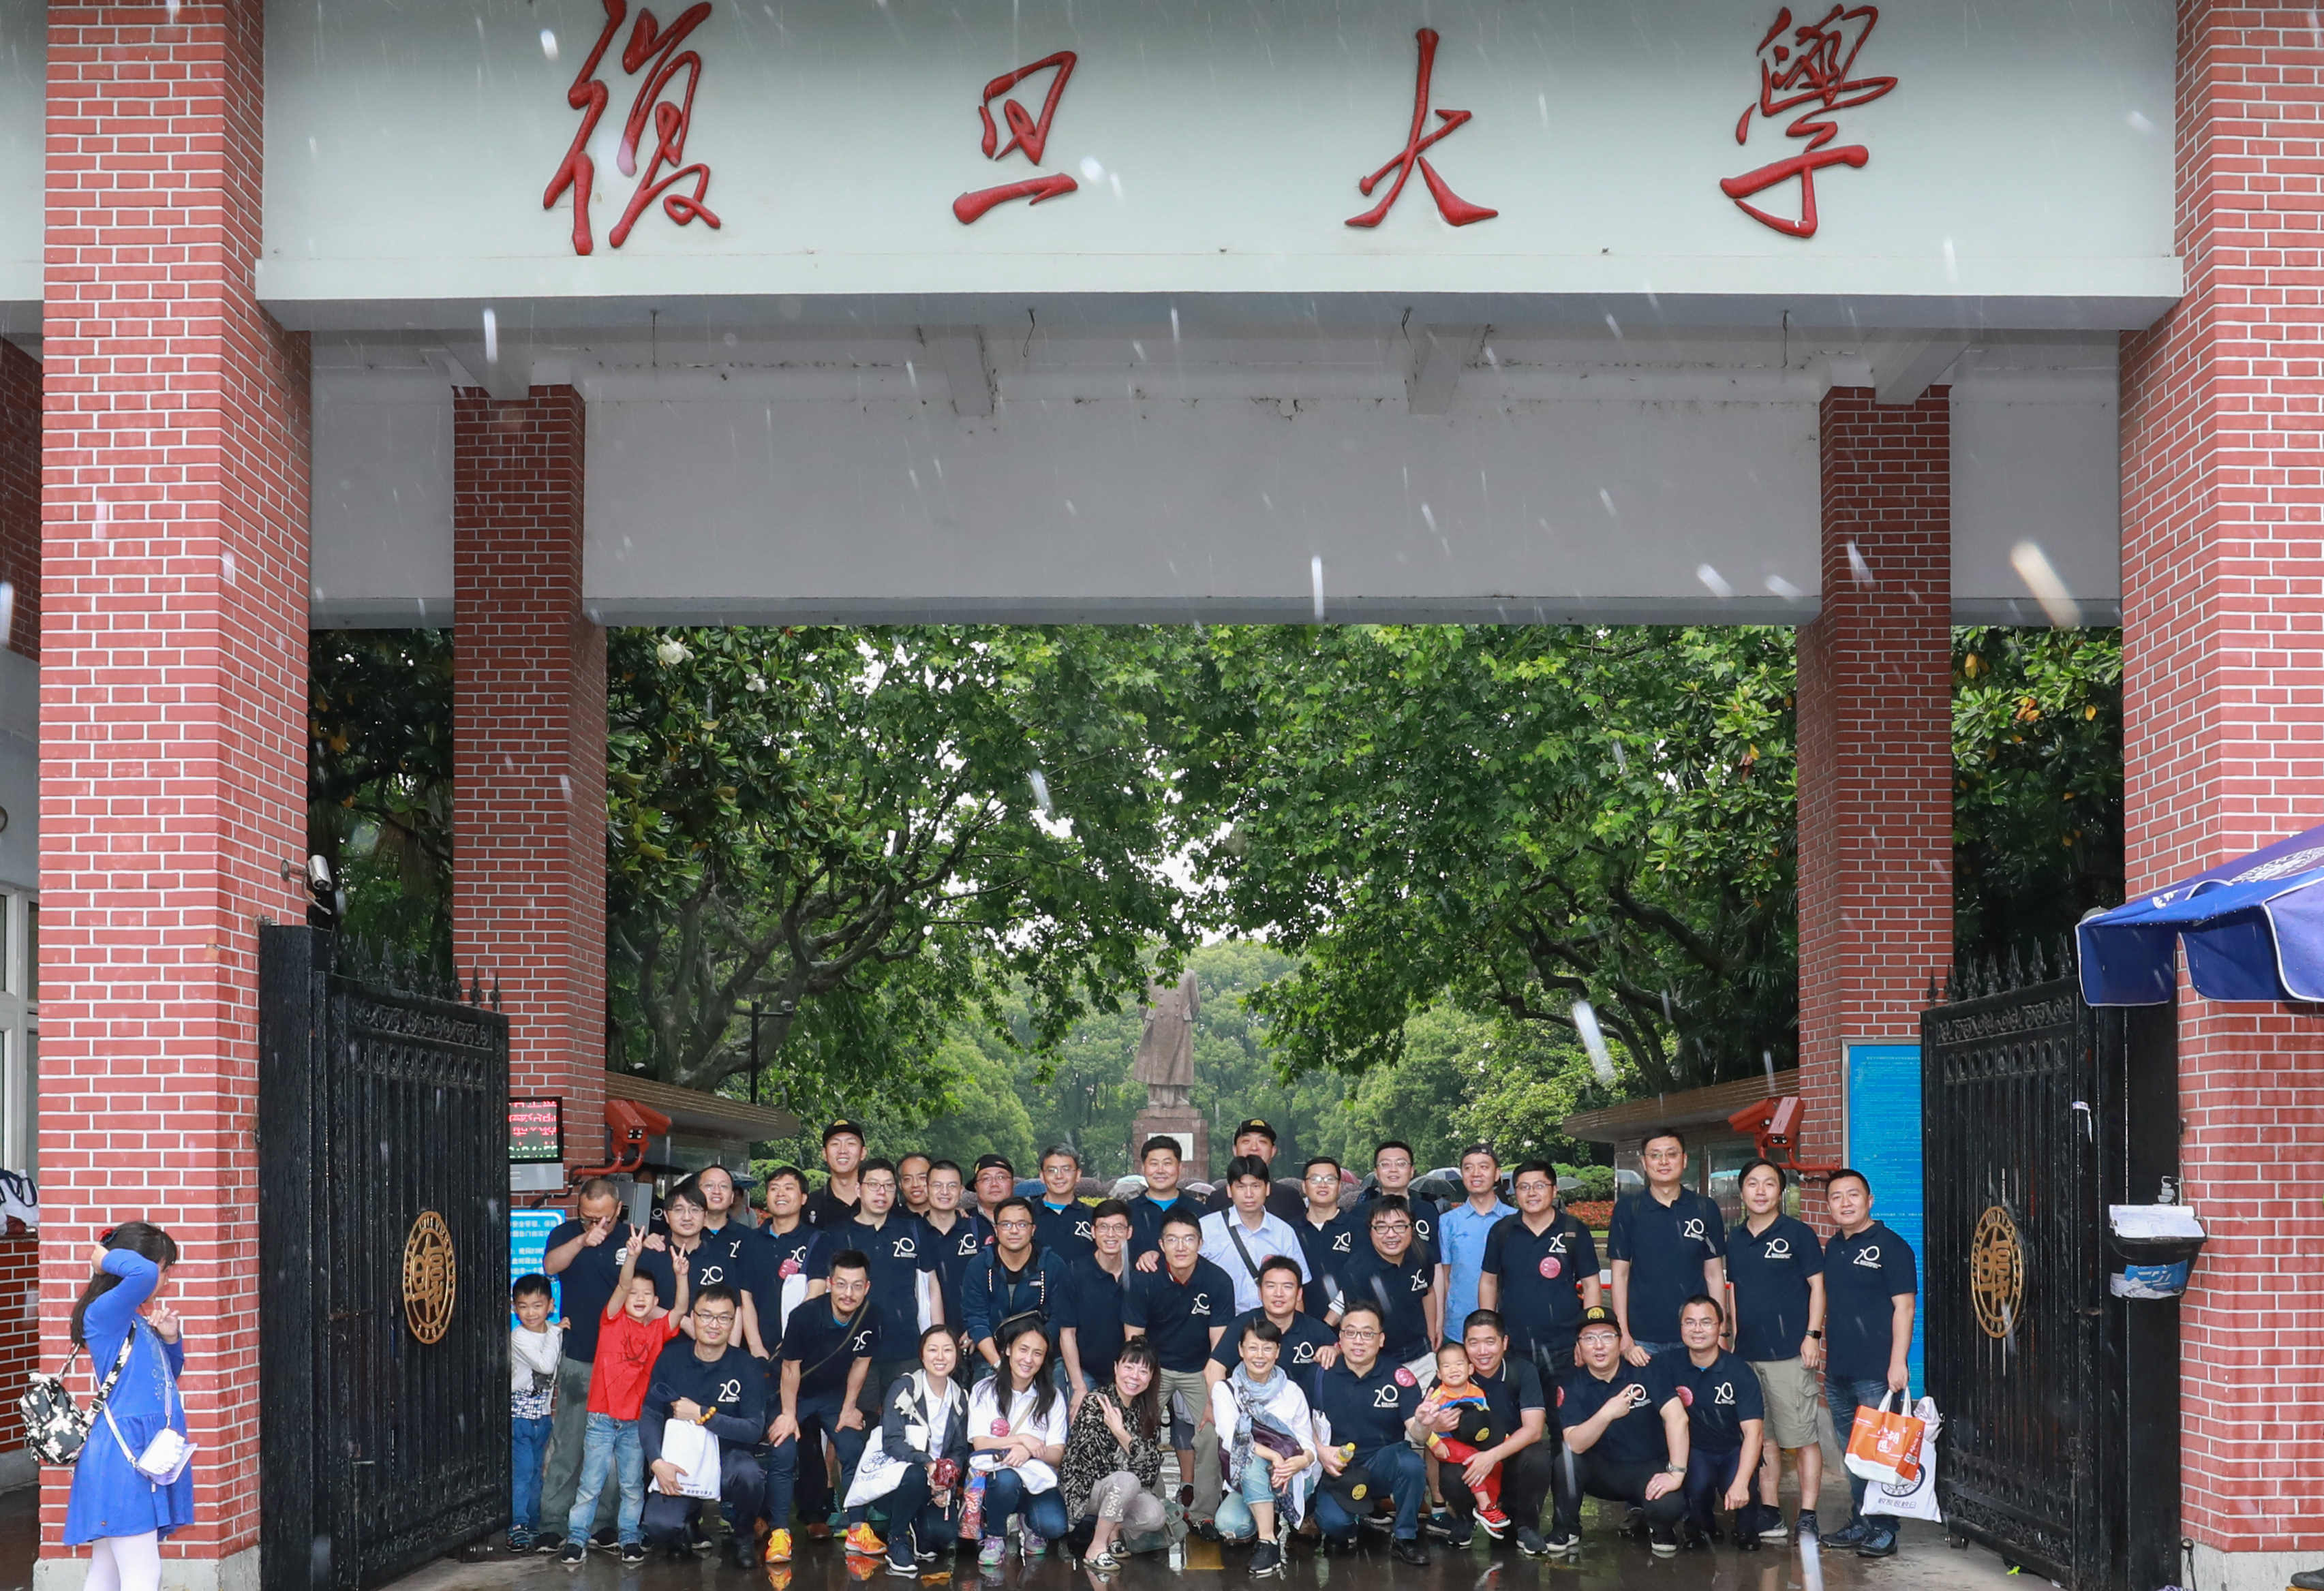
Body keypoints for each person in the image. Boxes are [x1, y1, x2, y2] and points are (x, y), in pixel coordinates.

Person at [540, 1178, 675, 1547]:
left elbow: (653, 1296)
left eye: (604, 1217)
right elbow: (550, 1266)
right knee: (569, 1443)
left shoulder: (634, 1240)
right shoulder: (566, 1234)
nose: (596, 1224)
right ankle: (553, 1522)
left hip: (625, 1367)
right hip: (580, 1356)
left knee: (618, 1454)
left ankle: (606, 1524)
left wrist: (653, 1244)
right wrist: (583, 1239)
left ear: (619, 1209)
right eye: (587, 1217)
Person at [64, 1224, 189, 1591]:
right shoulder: (107, 1312)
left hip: (134, 1452)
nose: (164, 1279)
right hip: (124, 1455)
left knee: (107, 1569)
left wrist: (170, 1339)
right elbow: (144, 1273)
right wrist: (103, 1259)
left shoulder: (129, 1317)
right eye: (165, 1269)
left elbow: (162, 1379)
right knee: (143, 1573)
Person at [559, 1233, 690, 1564]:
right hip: (601, 1419)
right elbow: (622, 1285)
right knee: (591, 1484)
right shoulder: (612, 1319)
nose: (639, 1297)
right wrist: (631, 1257)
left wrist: (681, 1275)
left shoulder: (657, 1330)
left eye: (647, 1294)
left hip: (635, 1422)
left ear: (655, 1300)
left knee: (632, 1485)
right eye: (633, 1292)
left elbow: (680, 1310)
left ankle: (629, 1538)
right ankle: (576, 1538)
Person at [1725, 1158, 1826, 1546]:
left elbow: (1818, 1287)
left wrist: (1812, 1335)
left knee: (1801, 1438)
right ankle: (1770, 1510)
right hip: (1748, 1354)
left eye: (1769, 1183)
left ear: (1781, 1191)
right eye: (1753, 1183)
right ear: (1742, 1191)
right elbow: (1735, 1292)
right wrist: (1731, 1339)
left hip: (1790, 1354)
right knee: (1762, 1436)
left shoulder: (1798, 1234)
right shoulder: (1735, 1239)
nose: (1761, 1191)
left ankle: (1808, 1514)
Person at [1819, 1168, 1917, 1558]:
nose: (1845, 1203)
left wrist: (1898, 1362)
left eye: (1853, 1195)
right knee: (1854, 1457)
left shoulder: (1893, 1247)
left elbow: (1904, 1307)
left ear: (1869, 1200)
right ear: (1829, 1206)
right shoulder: (1834, 1247)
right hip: (1839, 1370)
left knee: (1879, 1455)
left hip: (1877, 1373)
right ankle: (1861, 1521)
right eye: (1836, 1197)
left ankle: (1884, 1529)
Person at [641, 1284, 768, 1567]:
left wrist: (703, 1415)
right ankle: (685, 1527)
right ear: (693, 1318)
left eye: (723, 1318)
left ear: (733, 1322)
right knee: (658, 1526)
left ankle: (743, 1537)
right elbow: (650, 1414)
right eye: (706, 1316)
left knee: (750, 1474)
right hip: (682, 1462)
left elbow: (753, 1430)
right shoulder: (670, 1359)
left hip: (727, 1460)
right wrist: (656, 1462)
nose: (714, 1325)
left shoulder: (747, 1366)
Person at [1122, 1208, 1233, 1535]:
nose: (1181, 1247)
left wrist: (1214, 1397)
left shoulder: (1217, 1280)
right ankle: (1151, 1505)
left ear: (1200, 1242)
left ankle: (1202, 1512)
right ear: (1161, 1244)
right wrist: (1136, 1387)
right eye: (1172, 1240)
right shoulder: (1145, 1278)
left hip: (1201, 1367)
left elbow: (1219, 1348)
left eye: (1189, 1239)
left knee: (1213, 1431)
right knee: (1138, 1429)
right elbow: (1134, 1341)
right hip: (1154, 1367)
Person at [765, 1251, 880, 1561]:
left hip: (831, 1394)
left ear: (867, 1287)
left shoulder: (871, 1314)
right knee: (783, 1449)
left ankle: (858, 1528)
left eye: (857, 1286)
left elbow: (862, 1363)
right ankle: (779, 1533)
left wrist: (849, 1407)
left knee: (853, 1448)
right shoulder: (805, 1316)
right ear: (829, 1283)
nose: (848, 1293)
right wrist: (788, 1415)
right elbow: (790, 1368)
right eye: (841, 1284)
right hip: (794, 1392)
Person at [1552, 1305, 1688, 1558]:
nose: (1599, 1346)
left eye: (1607, 1336)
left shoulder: (1645, 1369)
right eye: (1589, 1338)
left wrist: (1676, 1473)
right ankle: (1566, 1527)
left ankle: (1658, 1526)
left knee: (1669, 1506)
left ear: (1620, 1340)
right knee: (1566, 1462)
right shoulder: (1571, 1384)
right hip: (1601, 1472)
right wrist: (1607, 1413)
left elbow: (1678, 1418)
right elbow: (1574, 1444)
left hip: (1647, 1468)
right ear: (1578, 1346)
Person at [1306, 1301, 1429, 1565]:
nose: (1358, 1341)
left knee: (1411, 1465)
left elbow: (1418, 1434)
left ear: (1381, 1339)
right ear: (1340, 1338)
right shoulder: (1319, 1375)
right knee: (1336, 1526)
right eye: (1351, 1332)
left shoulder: (1398, 1377)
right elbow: (1298, 1425)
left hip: (1381, 1463)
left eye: (1367, 1333)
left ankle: (1405, 1536)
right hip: (1338, 1469)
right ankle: (1349, 1525)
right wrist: (1320, 1450)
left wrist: (1424, 1422)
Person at [845, 1325, 971, 1578]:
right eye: (933, 1350)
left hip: (933, 1485)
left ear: (957, 1355)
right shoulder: (905, 1387)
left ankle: (917, 1526)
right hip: (896, 1481)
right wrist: (928, 1464)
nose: (940, 1357)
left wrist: (946, 1481)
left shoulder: (960, 1398)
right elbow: (892, 1440)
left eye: (948, 1350)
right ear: (922, 1355)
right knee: (915, 1474)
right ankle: (897, 1539)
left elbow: (959, 1449)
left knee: (943, 1535)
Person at [820, 1159, 939, 1410]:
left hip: (905, 1346)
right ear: (858, 1189)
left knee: (907, 1420)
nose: (881, 1192)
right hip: (852, 1347)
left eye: (888, 1186)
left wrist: (937, 1337)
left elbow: (931, 1286)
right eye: (873, 1185)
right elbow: (823, 1289)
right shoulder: (836, 1235)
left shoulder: (913, 1230)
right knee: (857, 1421)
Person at [1208, 1318, 1318, 1577]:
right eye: (1253, 1348)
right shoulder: (1225, 1390)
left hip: (1289, 1478)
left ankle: (1267, 1541)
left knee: (1254, 1460)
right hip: (1248, 1478)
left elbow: (1307, 1442)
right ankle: (1268, 1523)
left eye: (1268, 1348)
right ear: (1241, 1350)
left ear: (1278, 1352)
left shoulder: (1292, 1391)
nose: (1260, 1355)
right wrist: (1273, 1455)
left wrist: (1302, 1461)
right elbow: (1231, 1437)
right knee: (1230, 1525)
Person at [1437, 1311, 1553, 1556]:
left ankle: (1526, 1526)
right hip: (1469, 1461)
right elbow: (1422, 1429)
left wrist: (1491, 1457)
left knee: (1538, 1457)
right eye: (1473, 1343)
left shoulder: (1523, 1371)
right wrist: (1434, 1425)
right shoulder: (1452, 1374)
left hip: (1510, 1457)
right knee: (1449, 1471)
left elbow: (1534, 1430)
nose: (1482, 1351)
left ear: (1504, 1342)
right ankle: (1465, 1520)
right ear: (1464, 1344)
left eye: (1490, 1342)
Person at [1655, 1295, 1764, 1552]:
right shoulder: (1667, 1364)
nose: (1697, 1329)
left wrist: (1741, 1482)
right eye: (1690, 1322)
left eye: (1706, 1322)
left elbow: (1754, 1433)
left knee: (1742, 1486)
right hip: (1696, 1450)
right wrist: (1630, 1351)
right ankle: (1702, 1526)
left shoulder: (1739, 1371)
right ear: (1681, 1327)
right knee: (1698, 1486)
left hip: (1732, 1448)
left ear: (1720, 1326)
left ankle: (1746, 1527)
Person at [1478, 1159, 1602, 1388]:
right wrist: (1489, 1335)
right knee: (1517, 1409)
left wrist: (1586, 1337)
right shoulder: (1502, 1231)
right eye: (1524, 1187)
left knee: (1564, 1409)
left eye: (1540, 1186)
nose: (1532, 1193)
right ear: (1515, 1193)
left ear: (1554, 1190)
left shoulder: (1573, 1231)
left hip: (1565, 1347)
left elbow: (1591, 1285)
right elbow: (1488, 1282)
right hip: (1514, 1346)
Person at [1607, 1129, 1727, 1363]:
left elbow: (1714, 1275)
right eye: (1655, 1155)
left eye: (1671, 1154)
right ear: (1644, 1163)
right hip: (1643, 1339)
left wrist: (1720, 1332)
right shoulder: (1628, 1209)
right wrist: (1624, 1334)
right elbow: (1620, 1275)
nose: (1663, 1162)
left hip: (1696, 1335)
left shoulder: (1704, 1208)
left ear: (1684, 1160)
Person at [966, 1320, 1072, 1569]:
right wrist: (1022, 1439)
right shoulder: (984, 1390)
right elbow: (980, 1444)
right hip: (996, 1481)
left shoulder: (1053, 1396)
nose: (1028, 1359)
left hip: (1036, 1481)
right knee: (1007, 1480)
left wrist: (1028, 1453)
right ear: (1008, 1350)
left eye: (1038, 1353)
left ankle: (1027, 1519)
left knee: (1054, 1526)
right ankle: (995, 1536)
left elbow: (1057, 1454)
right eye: (1023, 1349)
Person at [1058, 1339, 1169, 1573]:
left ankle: (1113, 1531)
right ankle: (1097, 1547)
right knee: (1127, 1480)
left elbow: (1150, 1472)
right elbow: (1090, 1465)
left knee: (1155, 1515)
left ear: (1151, 1377)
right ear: (1116, 1367)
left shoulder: (1147, 1411)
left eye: (1143, 1371)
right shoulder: (1096, 1402)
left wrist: (1121, 1434)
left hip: (1121, 1491)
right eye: (1129, 1367)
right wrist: (1134, 1459)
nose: (1134, 1376)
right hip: (1086, 1490)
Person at [1326, 1194, 1439, 1377]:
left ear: (1412, 1228)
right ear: (1370, 1231)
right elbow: (1358, 1320)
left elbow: (1428, 1292)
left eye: (1400, 1226)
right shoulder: (1357, 1270)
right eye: (1381, 1227)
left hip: (1421, 1355)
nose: (1391, 1234)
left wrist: (1431, 1333)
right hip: (1379, 1360)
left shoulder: (1422, 1252)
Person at [1205, 1255, 1336, 1402]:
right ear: (1260, 1292)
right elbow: (1213, 1369)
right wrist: (1226, 1408)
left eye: (1287, 1287)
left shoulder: (1315, 1330)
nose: (1278, 1294)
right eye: (1271, 1286)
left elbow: (1345, 1356)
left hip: (1300, 1411)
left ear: (1299, 1293)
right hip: (1250, 1410)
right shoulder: (1243, 1325)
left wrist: (1335, 1351)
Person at [963, 1196, 1063, 1376]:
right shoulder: (979, 1266)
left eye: (1022, 1225)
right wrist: (1000, 1366)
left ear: (1033, 1229)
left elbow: (1058, 1318)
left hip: (1041, 1355)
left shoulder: (1052, 1265)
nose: (1014, 1231)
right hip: (992, 1356)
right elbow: (976, 1319)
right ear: (996, 1230)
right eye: (1006, 1225)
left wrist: (1031, 1359)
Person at [1198, 1155, 1311, 1315]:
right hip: (1220, 1323)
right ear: (1229, 1191)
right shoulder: (1206, 1228)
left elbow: (1296, 1290)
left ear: (1268, 1188)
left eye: (1256, 1186)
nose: (1249, 1194)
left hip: (1270, 1325)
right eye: (1241, 1187)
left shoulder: (1283, 1232)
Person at [1416, 1342, 1507, 1536]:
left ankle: (1491, 1509)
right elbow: (1426, 1426)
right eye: (1446, 1366)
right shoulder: (1438, 1396)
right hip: (1447, 1443)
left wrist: (1500, 1438)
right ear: (1439, 1374)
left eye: (1459, 1364)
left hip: (1472, 1441)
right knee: (1473, 1458)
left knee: (1496, 1464)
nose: (1454, 1369)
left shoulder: (1477, 1393)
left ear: (1470, 1369)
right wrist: (1435, 1444)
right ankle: (1484, 1505)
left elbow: (1487, 1420)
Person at [1058, 1199, 1134, 1414]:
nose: (1111, 1235)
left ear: (1129, 1232)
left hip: (1130, 1373)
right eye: (1103, 1227)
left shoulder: (1139, 1272)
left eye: (1118, 1228)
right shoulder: (1074, 1273)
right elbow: (1067, 1333)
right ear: (1093, 1232)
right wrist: (1078, 1386)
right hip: (1086, 1372)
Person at [739, 1166, 823, 1361]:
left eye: (789, 1188)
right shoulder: (750, 1241)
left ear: (803, 1198)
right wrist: (756, 1347)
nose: (780, 1194)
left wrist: (791, 1341)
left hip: (802, 1347)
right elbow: (745, 1296)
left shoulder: (818, 1240)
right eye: (774, 1188)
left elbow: (816, 1292)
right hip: (757, 1351)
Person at [1435, 1144, 1516, 1330]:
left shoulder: (1515, 1220)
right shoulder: (1448, 1222)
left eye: (1484, 1167)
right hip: (1459, 1326)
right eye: (1468, 1168)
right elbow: (1445, 1277)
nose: (1476, 1173)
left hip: (1509, 1325)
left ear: (1497, 1174)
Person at [510, 1273, 563, 1551]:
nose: (530, 1313)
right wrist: (556, 1332)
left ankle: (532, 1523)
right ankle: (517, 1525)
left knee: (535, 1474)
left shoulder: (553, 1332)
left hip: (541, 1418)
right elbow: (545, 1366)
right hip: (519, 1417)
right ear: (514, 1308)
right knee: (522, 1473)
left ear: (550, 1305)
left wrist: (555, 1332)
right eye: (523, 1306)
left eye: (537, 1305)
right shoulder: (518, 1337)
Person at [921, 1160, 992, 1342]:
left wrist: (978, 1328)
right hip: (927, 1340)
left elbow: (994, 1284)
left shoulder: (978, 1229)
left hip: (974, 1337)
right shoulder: (912, 1233)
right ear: (926, 1189)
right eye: (937, 1185)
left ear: (961, 1191)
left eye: (951, 1186)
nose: (944, 1192)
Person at [1294, 1156, 1360, 1320]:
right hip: (1300, 1324)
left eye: (1330, 1179)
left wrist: (1331, 1320)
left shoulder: (1358, 1228)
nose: (1323, 1185)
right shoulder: (1289, 1231)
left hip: (1349, 1326)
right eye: (1315, 1179)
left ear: (1339, 1186)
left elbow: (1361, 1278)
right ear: (1304, 1186)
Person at [1201, 1120, 1304, 1221]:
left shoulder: (1289, 1199)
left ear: (1273, 1151)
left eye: (1262, 1142)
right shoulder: (1218, 1199)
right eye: (1246, 1141)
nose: (1254, 1148)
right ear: (1235, 1150)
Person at [1360, 1141, 1442, 1255]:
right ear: (1376, 1173)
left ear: (1412, 1171)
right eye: (1385, 1164)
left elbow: (1437, 1257)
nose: (1393, 1169)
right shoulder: (1360, 1213)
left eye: (1401, 1164)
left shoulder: (1428, 1210)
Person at [1124, 1137, 1194, 1256]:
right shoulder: (1127, 1213)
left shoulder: (1198, 1211)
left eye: (1167, 1164)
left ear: (1179, 1167)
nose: (1160, 1170)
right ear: (1143, 1168)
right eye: (1154, 1164)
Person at [1032, 1145, 1096, 1261]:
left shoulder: (1093, 1216)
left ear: (1078, 1175)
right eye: (1052, 1170)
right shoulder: (1027, 1215)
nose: (1059, 1176)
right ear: (1042, 1176)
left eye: (1066, 1169)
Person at [808, 1121, 868, 1230]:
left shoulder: (878, 1201)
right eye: (835, 1144)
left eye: (851, 1144)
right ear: (824, 1154)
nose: (843, 1151)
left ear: (863, 1153)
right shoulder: (810, 1205)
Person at [971, 1155, 1017, 1225]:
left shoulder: (1030, 1216)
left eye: (1001, 1177)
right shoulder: (962, 1220)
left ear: (1012, 1183)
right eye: (986, 1179)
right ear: (976, 1187)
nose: (994, 1184)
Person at [898, 1154, 934, 1220]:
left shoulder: (949, 1218)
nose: (915, 1185)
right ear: (900, 1184)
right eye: (907, 1179)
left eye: (922, 1178)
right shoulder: (889, 1220)